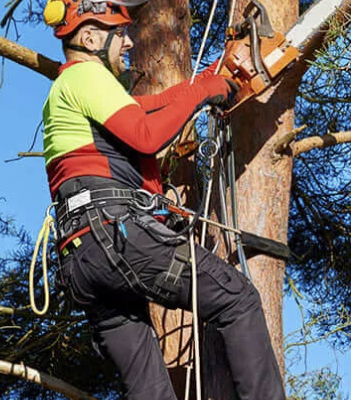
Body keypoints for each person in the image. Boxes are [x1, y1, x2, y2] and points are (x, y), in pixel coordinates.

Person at [40, 1, 286, 400]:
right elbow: (147, 135)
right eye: (119, 34)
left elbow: (157, 105)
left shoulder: (70, 93)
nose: (128, 42)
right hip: (113, 234)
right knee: (237, 299)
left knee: (149, 389)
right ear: (89, 38)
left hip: (83, 260)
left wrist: (210, 80)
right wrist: (203, 90)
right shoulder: (85, 75)